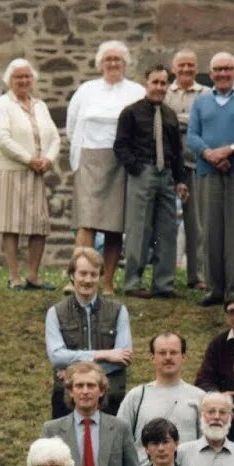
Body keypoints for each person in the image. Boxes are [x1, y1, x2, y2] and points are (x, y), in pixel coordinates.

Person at [65, 39, 146, 291]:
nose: (113, 64)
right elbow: (72, 124)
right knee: (86, 220)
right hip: (90, 158)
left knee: (114, 224)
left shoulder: (136, 91)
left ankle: (107, 281)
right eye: (108, 59)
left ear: (125, 64)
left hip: (122, 160)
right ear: (100, 64)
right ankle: (78, 279)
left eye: (117, 60)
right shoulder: (86, 90)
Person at [186, 51, 234, 305]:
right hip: (208, 172)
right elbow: (192, 135)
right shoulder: (201, 102)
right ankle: (215, 288)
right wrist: (209, 154)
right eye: (217, 69)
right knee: (211, 229)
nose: (223, 74)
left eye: (228, 69)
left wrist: (230, 150)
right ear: (211, 73)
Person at [0, 58, 61, 290]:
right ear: (9, 80)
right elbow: (2, 138)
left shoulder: (40, 106)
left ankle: (33, 275)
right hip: (10, 169)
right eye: (19, 77)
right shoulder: (2, 105)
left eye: (27, 76)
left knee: (39, 224)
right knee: (11, 223)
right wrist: (28, 159)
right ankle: (14, 275)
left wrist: (48, 158)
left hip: (36, 172)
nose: (24, 81)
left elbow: (55, 137)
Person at [116, 64, 190, 298]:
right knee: (139, 229)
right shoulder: (131, 112)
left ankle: (163, 284)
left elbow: (177, 150)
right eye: (154, 82)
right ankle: (133, 283)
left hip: (166, 175)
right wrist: (135, 167)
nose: (159, 87)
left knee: (166, 230)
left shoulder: (169, 115)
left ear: (168, 85)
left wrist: (180, 179)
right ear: (146, 84)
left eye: (163, 83)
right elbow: (120, 145)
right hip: (143, 172)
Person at [44, 246, 134, 416]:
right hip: (67, 400)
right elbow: (56, 357)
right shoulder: (55, 312)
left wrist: (73, 371)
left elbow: (124, 357)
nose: (88, 280)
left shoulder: (119, 311)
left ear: (100, 277)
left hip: (109, 399)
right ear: (72, 275)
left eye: (93, 274)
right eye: (83, 273)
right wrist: (104, 354)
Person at [40, 360, 140, 466]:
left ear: (101, 391)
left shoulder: (120, 428)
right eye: (79, 386)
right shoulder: (52, 430)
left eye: (91, 385)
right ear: (71, 392)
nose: (85, 391)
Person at [117, 333, 206, 464]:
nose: (168, 357)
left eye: (174, 352)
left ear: (183, 357)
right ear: (152, 358)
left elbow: (206, 444)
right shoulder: (136, 396)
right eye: (162, 353)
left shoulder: (200, 397)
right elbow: (120, 440)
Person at [166, 49, 211, 291]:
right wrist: (187, 121)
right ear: (174, 68)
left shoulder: (206, 94)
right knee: (166, 223)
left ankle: (197, 275)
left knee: (197, 224)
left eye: (190, 65)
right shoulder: (165, 92)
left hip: (196, 164)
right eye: (181, 65)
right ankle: (167, 276)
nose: (186, 69)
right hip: (170, 165)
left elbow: (202, 124)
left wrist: (180, 120)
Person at [193, 296, 234, 446]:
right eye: (231, 312)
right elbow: (203, 380)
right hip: (225, 413)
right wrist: (220, 397)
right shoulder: (218, 344)